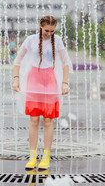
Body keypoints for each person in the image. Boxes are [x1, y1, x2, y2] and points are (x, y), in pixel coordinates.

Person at [12, 15, 72, 171]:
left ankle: (45, 157)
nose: (49, 34)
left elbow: (66, 62)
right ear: (40, 26)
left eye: (52, 31)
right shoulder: (31, 40)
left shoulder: (57, 40)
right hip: (34, 80)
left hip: (50, 82)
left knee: (48, 121)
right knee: (33, 120)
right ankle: (32, 157)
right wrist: (16, 80)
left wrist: (65, 83)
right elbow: (17, 60)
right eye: (46, 31)